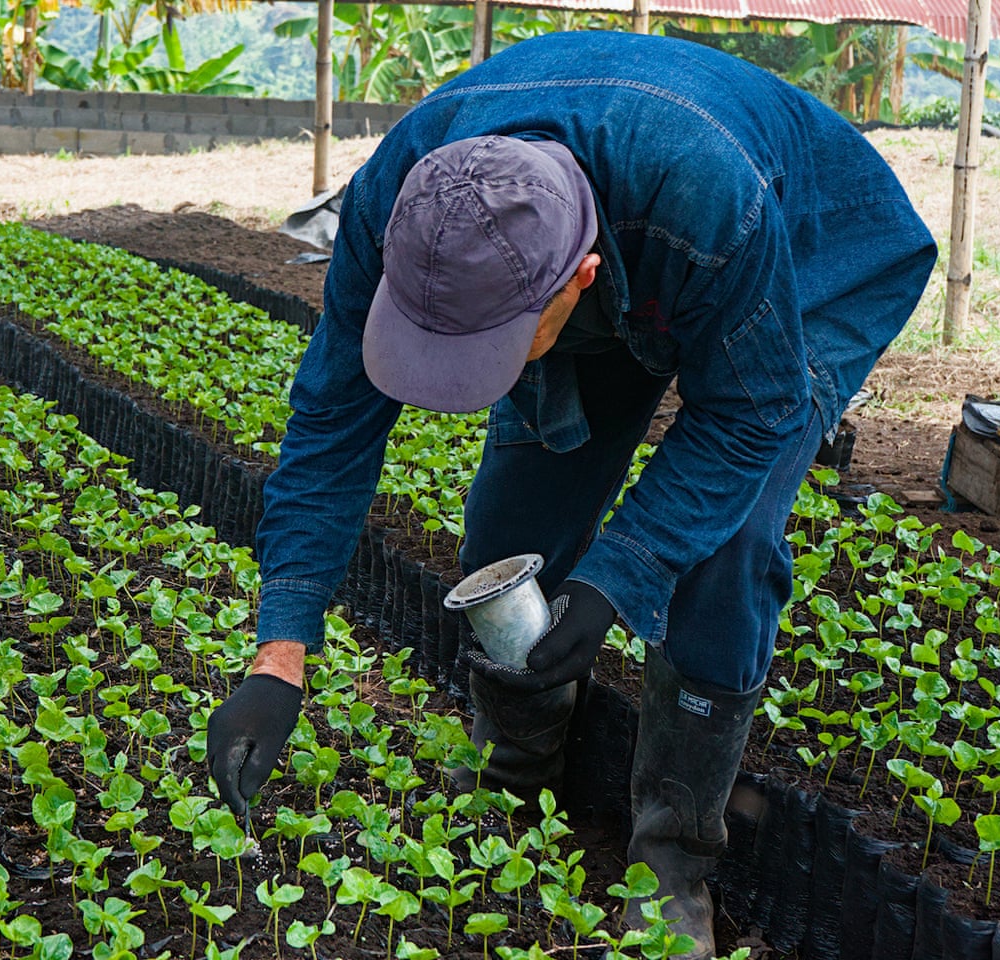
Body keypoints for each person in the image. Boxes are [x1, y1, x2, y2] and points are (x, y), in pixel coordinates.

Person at [207, 29, 937, 958]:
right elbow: (330, 424)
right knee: (514, 531)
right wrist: (280, 657)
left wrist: (617, 578)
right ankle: (515, 776)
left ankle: (672, 858)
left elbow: (746, 419)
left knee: (724, 546)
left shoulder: (705, 201)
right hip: (633, 239)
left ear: (578, 282)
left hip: (809, 248)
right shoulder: (398, 197)